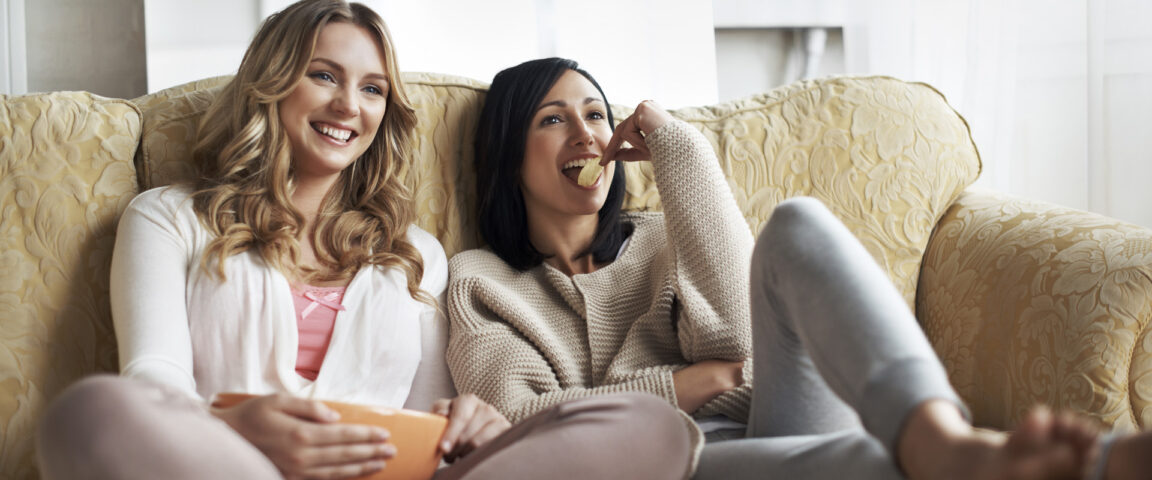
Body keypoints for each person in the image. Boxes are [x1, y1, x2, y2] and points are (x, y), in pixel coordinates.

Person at [34, 5, 691, 480]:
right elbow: (154, 382)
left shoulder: (414, 254)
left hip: (388, 475)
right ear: (273, 82)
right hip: (228, 465)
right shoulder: (167, 219)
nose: (350, 104)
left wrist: (466, 421)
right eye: (325, 76)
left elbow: (426, 416)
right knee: (91, 411)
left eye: (372, 89)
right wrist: (230, 425)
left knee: (648, 424)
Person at [446, 56, 1152, 480]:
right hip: (675, 467)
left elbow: (742, 343)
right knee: (863, 468)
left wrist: (679, 147)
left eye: (596, 114)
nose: (588, 134)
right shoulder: (482, 281)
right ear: (509, 152)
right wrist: (687, 384)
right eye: (553, 119)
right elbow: (514, 421)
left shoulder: (666, 235)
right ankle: (1093, 467)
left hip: (783, 414)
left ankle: (941, 435)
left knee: (799, 223)